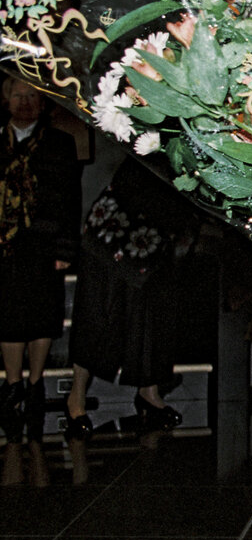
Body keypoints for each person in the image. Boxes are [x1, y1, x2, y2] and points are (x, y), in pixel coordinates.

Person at [64, 158, 201, 438]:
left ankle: (148, 393)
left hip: (163, 231)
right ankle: (75, 398)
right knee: (98, 312)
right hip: (116, 230)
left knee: (155, 316)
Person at [0, 78, 81, 440]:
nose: (25, 102)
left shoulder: (60, 144)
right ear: (6, 100)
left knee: (41, 314)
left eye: (31, 95)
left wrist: (65, 251)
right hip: (4, 245)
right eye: (18, 95)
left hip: (45, 245)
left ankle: (36, 386)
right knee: (8, 315)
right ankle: (13, 385)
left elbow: (70, 201)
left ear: (42, 102)